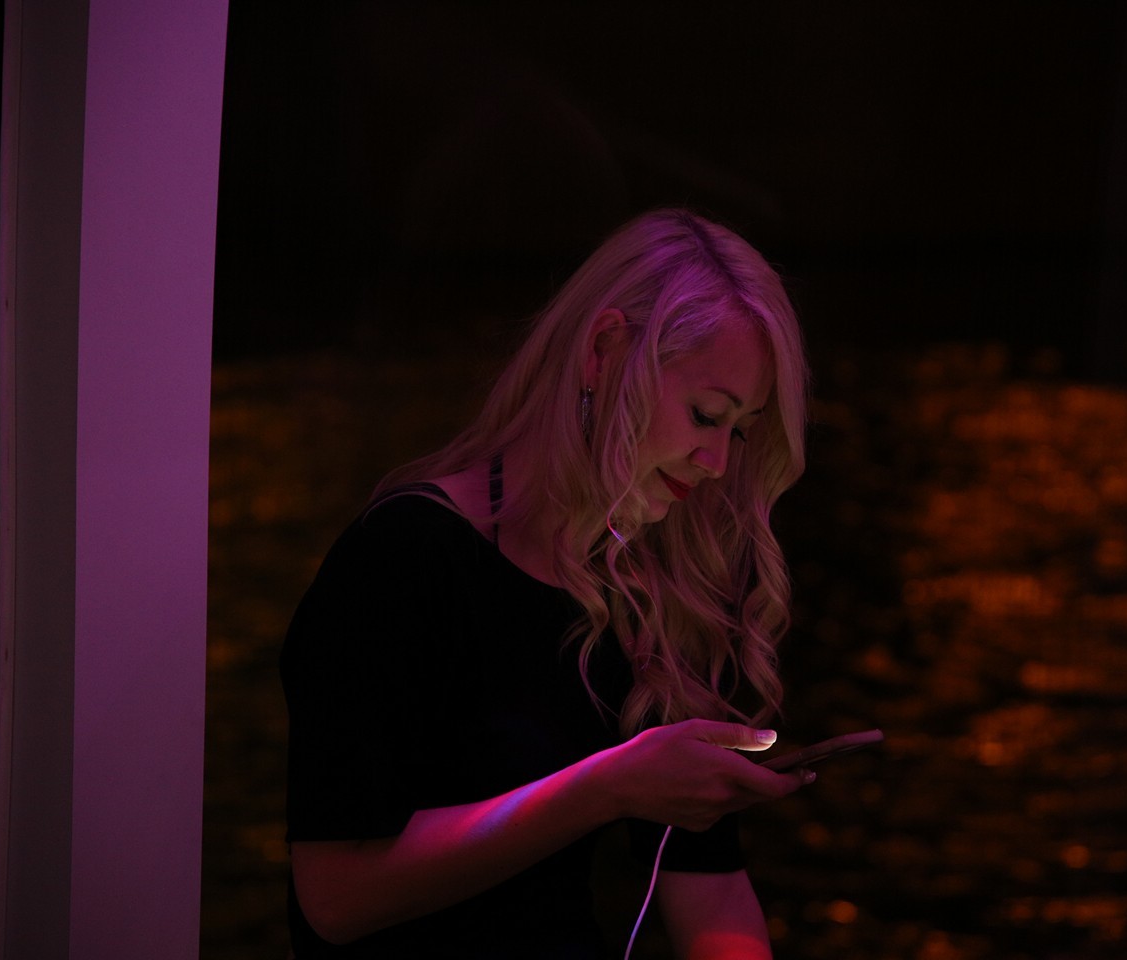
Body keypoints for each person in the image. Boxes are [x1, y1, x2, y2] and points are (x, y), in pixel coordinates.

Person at [280, 209, 814, 958]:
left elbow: (712, 888)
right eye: (705, 415)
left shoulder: (655, 589)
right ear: (602, 350)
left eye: (741, 429)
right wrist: (606, 787)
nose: (719, 463)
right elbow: (335, 897)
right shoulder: (404, 557)